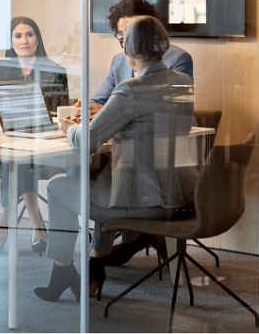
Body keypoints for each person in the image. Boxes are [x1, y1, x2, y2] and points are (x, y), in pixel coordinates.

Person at [34, 16, 196, 303]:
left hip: (141, 203)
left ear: (129, 52)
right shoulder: (182, 82)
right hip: (179, 196)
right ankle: (95, 267)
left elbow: (87, 140)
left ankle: (62, 270)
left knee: (58, 189)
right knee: (100, 180)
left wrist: (67, 127)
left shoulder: (129, 90)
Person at [76, 0, 194, 265]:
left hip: (152, 176)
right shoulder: (120, 64)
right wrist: (97, 109)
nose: (125, 42)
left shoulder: (178, 62)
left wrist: (87, 121)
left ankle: (93, 263)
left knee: (73, 183)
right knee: (103, 171)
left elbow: (159, 109)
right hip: (151, 172)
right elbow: (101, 100)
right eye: (121, 35)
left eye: (130, 33)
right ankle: (101, 256)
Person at [0, 16, 68, 252]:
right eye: (18, 35)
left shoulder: (54, 70)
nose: (24, 40)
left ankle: (4, 221)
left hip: (44, 146)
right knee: (16, 158)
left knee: (17, 160)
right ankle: (37, 224)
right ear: (11, 41)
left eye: (29, 34)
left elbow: (57, 110)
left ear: (37, 39)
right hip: (12, 143)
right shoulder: (4, 67)